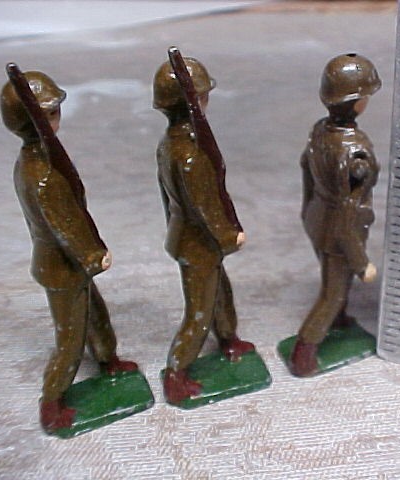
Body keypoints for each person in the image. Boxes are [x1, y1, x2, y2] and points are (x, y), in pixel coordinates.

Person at [0, 71, 137, 432]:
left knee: (97, 315)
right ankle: (52, 401)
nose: (58, 117)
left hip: (70, 264)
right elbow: (65, 223)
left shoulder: (39, 160)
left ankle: (108, 360)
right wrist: (93, 254)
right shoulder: (43, 174)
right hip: (63, 265)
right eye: (50, 113)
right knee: (70, 341)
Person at [153, 57, 254, 405]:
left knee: (220, 293)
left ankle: (228, 338)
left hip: (190, 239)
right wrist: (228, 236)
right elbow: (204, 205)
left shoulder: (169, 144)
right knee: (198, 313)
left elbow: (167, 198)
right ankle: (177, 372)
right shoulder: (190, 155)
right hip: (199, 242)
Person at [290, 53, 381, 376]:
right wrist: (361, 262)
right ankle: (304, 352)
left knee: (334, 281)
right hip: (340, 234)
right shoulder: (355, 151)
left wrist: (307, 211)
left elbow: (305, 167)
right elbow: (346, 214)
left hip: (316, 219)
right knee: (332, 293)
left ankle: (340, 320)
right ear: (358, 102)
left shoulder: (320, 131)